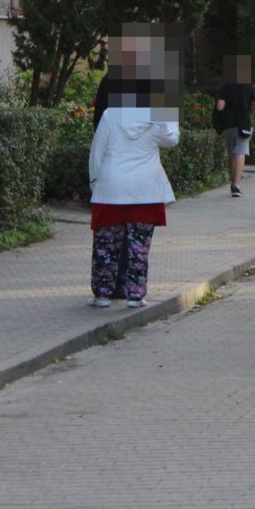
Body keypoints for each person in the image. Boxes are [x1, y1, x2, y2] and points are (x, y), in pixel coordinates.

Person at [87, 25, 181, 309]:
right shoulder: (157, 110)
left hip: (111, 187)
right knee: (139, 246)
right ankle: (135, 296)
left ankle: (103, 294)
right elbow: (172, 139)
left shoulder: (111, 111)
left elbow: (97, 150)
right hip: (145, 188)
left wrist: (94, 183)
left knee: (106, 245)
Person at [214, 54, 255, 198]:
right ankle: (237, 186)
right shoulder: (250, 85)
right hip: (244, 123)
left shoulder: (226, 85)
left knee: (232, 154)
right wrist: (251, 113)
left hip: (229, 125)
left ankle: (232, 182)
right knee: (241, 152)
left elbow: (220, 107)